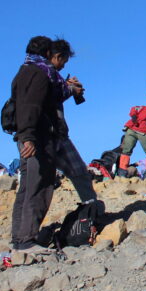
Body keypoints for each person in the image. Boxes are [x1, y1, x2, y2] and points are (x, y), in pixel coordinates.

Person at [10, 36, 96, 254]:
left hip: (47, 135)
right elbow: (30, 106)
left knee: (33, 185)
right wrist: (28, 136)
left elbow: (47, 99)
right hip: (40, 138)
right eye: (61, 60)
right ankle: (25, 240)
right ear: (51, 54)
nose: (62, 65)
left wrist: (69, 89)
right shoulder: (38, 74)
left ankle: (20, 238)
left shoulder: (37, 72)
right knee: (37, 186)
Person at [46, 39, 99, 205]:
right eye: (63, 61)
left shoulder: (49, 74)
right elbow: (48, 98)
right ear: (56, 56)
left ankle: (91, 209)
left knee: (78, 171)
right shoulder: (44, 73)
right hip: (50, 134)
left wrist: (66, 85)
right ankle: (91, 209)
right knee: (77, 171)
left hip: (56, 133)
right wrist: (71, 89)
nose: (63, 66)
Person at [118, 104, 146, 179]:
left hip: (140, 131)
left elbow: (134, 109)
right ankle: (123, 171)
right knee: (127, 150)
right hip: (135, 129)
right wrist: (133, 116)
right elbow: (134, 109)